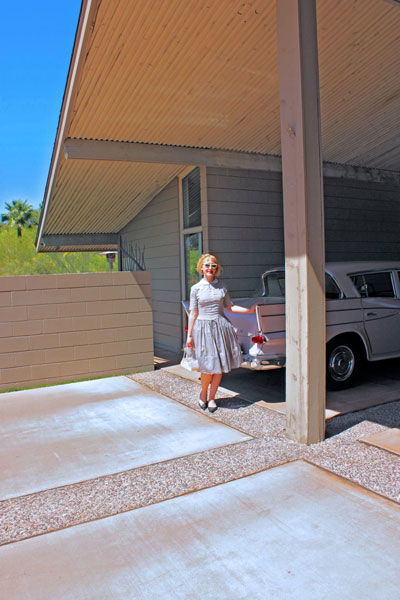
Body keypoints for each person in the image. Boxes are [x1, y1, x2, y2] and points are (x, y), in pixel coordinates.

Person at [186, 253, 256, 412]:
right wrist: (189, 336)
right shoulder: (195, 288)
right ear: (201, 268)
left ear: (216, 268)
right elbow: (193, 313)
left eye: (213, 265)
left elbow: (230, 307)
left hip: (220, 328)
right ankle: (203, 394)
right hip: (203, 329)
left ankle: (212, 398)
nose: (210, 268)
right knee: (207, 366)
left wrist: (249, 310)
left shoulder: (222, 287)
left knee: (218, 366)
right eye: (207, 265)